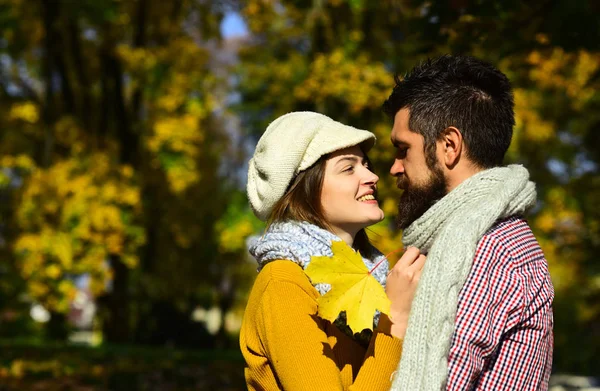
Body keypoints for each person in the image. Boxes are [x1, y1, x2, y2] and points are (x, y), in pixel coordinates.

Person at [383, 55, 554, 391]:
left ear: (449, 146)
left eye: (403, 149)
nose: (394, 167)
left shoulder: (483, 250)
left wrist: (394, 319)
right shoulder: (498, 238)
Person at [240, 111, 426, 391]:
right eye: (348, 168)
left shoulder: (372, 277)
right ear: (305, 189)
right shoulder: (284, 282)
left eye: (365, 164)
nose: (372, 176)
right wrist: (396, 321)